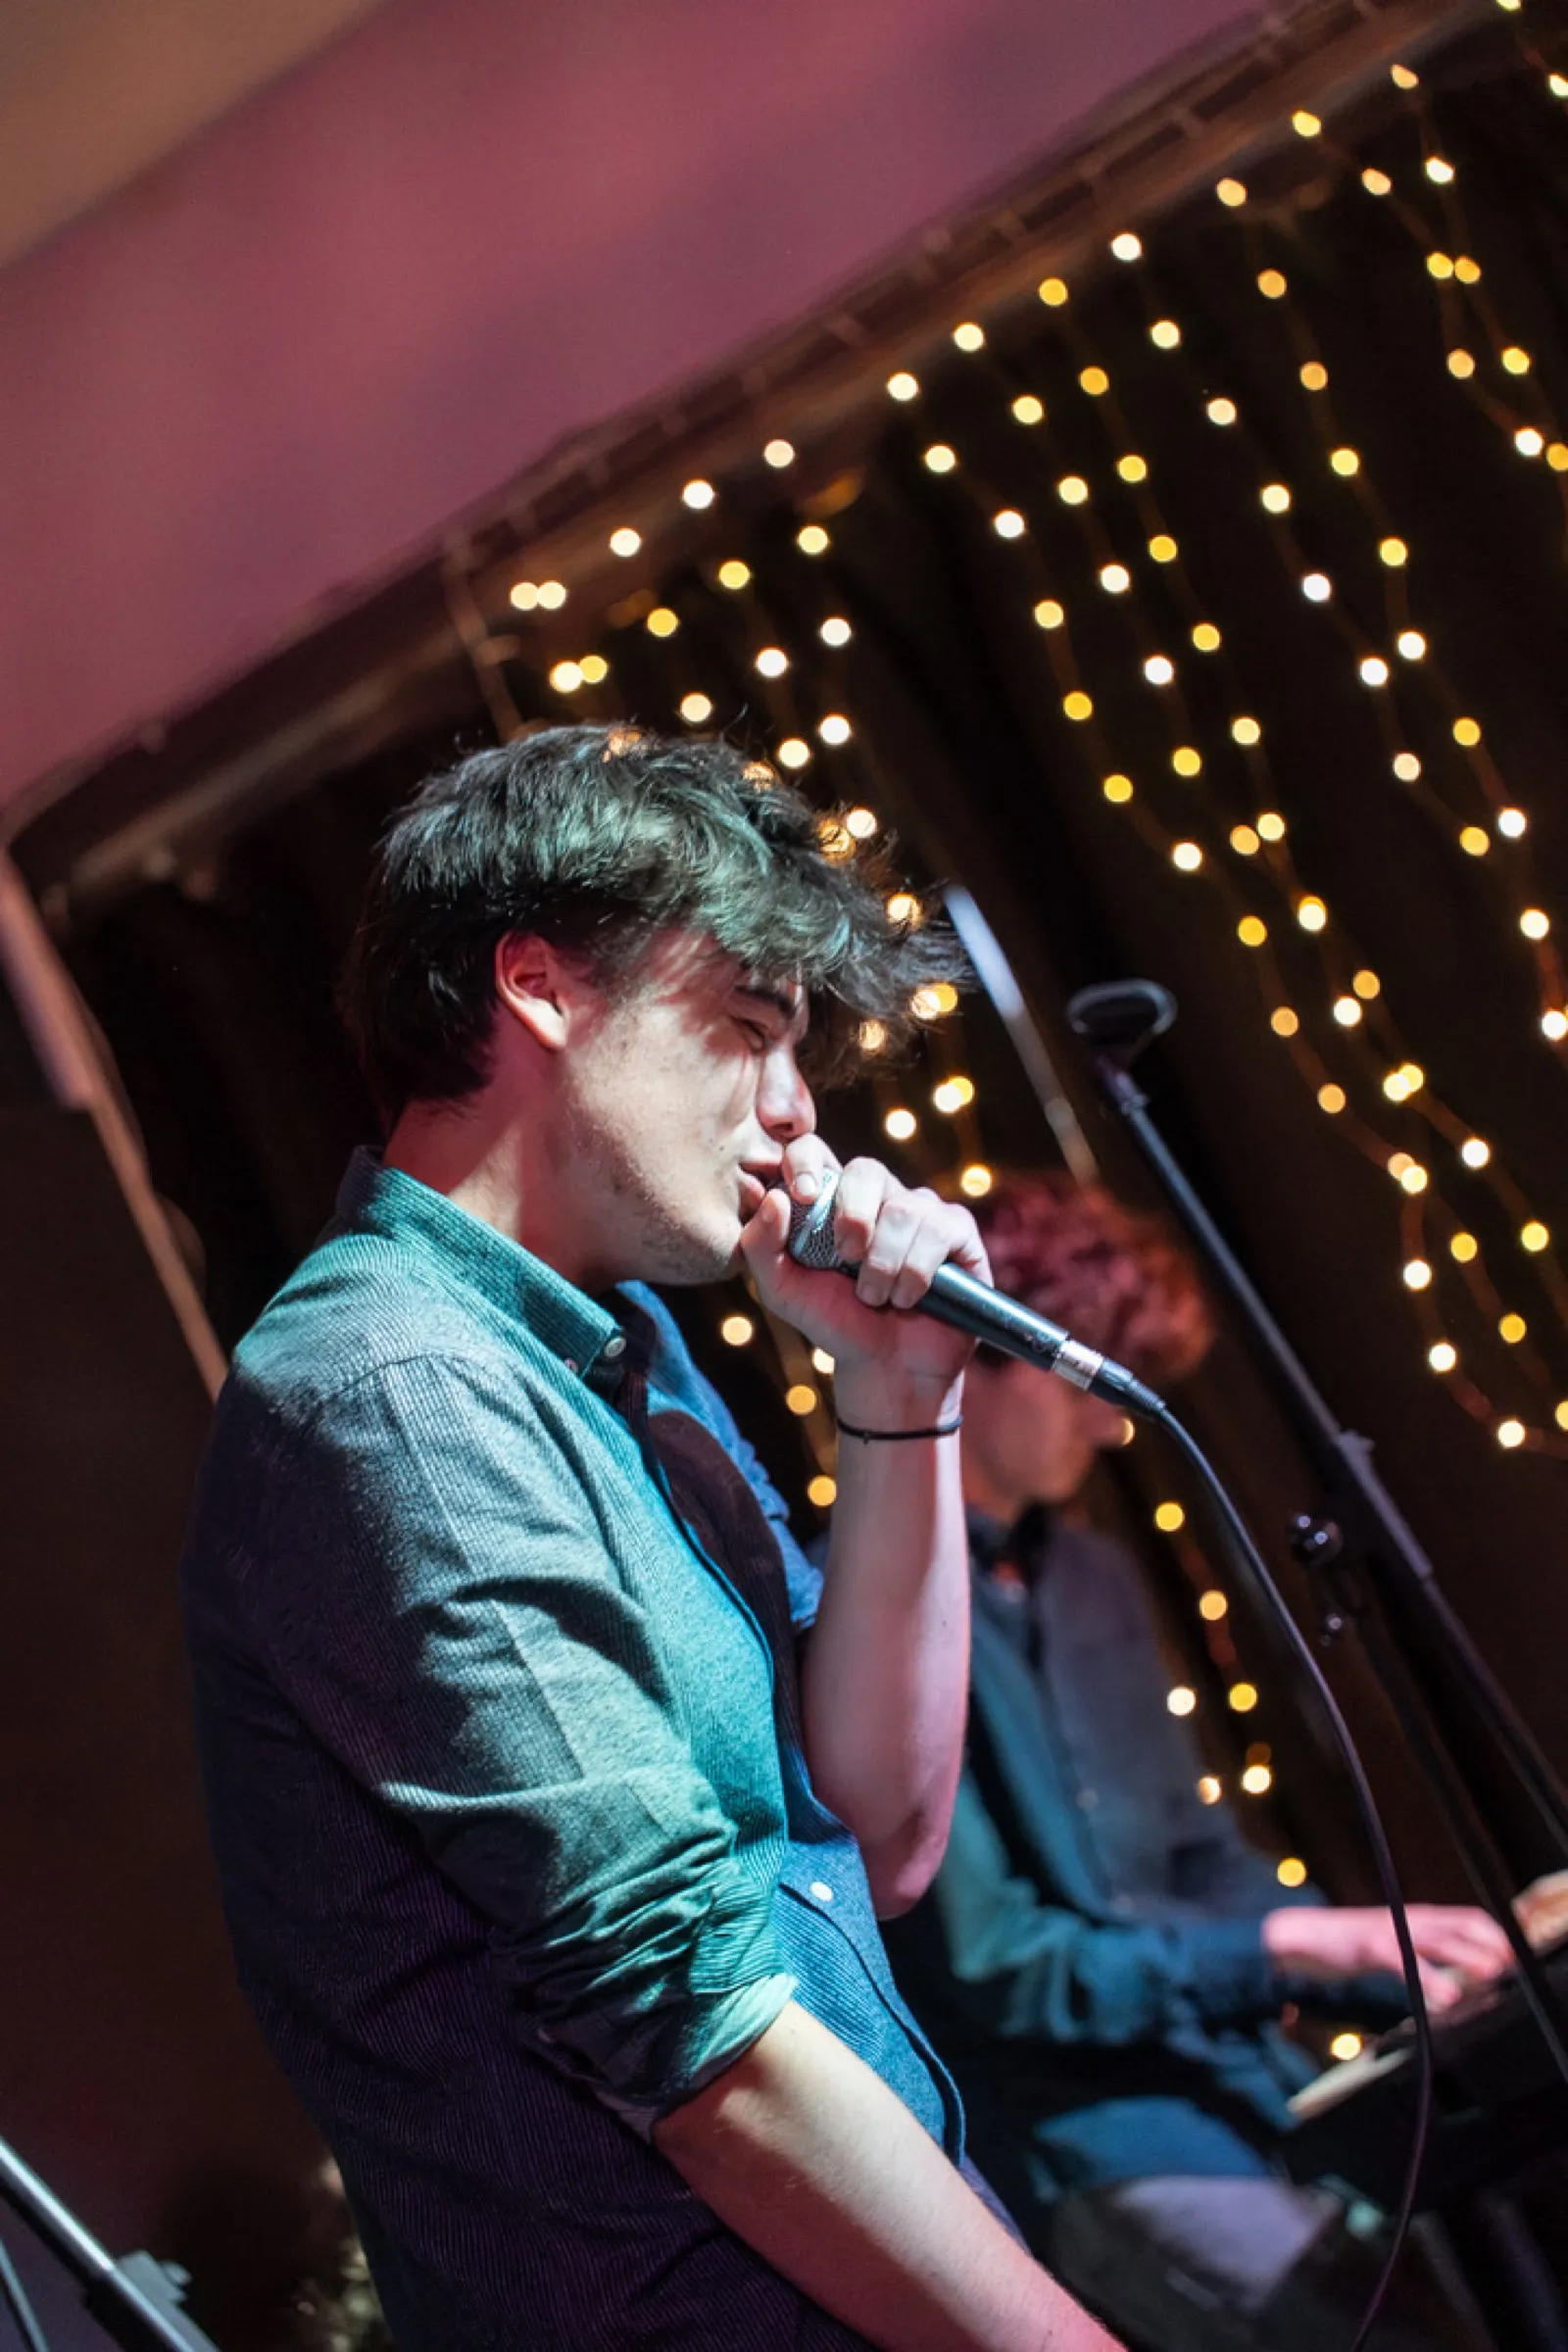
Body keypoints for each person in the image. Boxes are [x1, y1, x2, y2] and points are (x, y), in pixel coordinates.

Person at [177, 727, 1116, 2352]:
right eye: (746, 1028)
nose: (795, 1111)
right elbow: (692, 2037)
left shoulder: (620, 1353)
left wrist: (901, 1395)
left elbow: (876, 1836)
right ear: (539, 987)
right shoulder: (392, 1386)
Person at [876, 1171, 1515, 2352]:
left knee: (1477, 2240)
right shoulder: (876, 1608)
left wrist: (1405, 1955)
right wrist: (1286, 1944)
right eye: (1091, 1385)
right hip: (1086, 2136)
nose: (1113, 1425)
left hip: (1236, 2079)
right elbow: (996, 1968)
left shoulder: (1096, 1582)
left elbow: (1196, 1858)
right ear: (997, 1344)